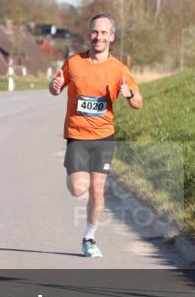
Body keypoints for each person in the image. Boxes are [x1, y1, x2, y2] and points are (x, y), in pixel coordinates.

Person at [49, 14, 143, 258]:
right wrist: (55, 86)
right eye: (95, 32)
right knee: (79, 188)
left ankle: (89, 238)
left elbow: (139, 103)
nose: (98, 37)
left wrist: (129, 95)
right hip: (77, 135)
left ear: (111, 37)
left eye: (104, 33)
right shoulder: (74, 62)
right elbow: (55, 86)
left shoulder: (119, 69)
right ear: (89, 34)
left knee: (98, 190)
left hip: (103, 136)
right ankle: (74, 173)